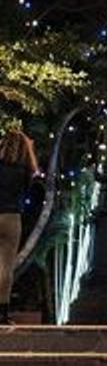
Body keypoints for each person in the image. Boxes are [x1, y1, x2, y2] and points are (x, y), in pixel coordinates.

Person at [0, 129, 39, 325]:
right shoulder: (25, 171)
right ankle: (2, 313)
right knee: (6, 267)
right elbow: (25, 191)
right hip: (12, 217)